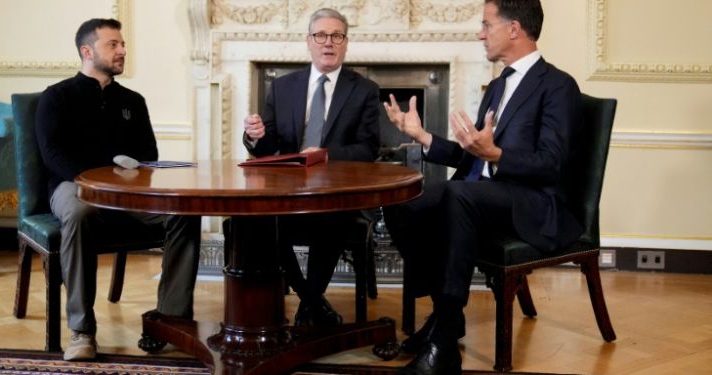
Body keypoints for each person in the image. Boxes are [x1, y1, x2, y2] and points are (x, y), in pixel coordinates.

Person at [382, 0, 584, 374]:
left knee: (460, 195)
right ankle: (448, 315)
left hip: (531, 201)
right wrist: (423, 135)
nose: (479, 33)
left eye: (486, 25)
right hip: (481, 195)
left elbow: (552, 165)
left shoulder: (558, 86)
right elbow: (472, 156)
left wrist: (496, 154)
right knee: (401, 199)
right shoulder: (497, 86)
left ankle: (443, 340)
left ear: (513, 29)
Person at [36, 18, 202, 361]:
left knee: (184, 213)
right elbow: (51, 153)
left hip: (127, 194)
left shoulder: (133, 100)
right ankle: (81, 331)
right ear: (87, 51)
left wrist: (125, 180)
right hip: (72, 187)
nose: (122, 50)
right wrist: (93, 183)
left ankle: (171, 321)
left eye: (122, 44)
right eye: (113, 44)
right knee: (81, 212)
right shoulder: (57, 97)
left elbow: (149, 157)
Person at [239, 8, 380, 326]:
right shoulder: (283, 87)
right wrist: (254, 136)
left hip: (338, 193)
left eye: (336, 36)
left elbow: (369, 149)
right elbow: (267, 147)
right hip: (288, 190)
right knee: (259, 221)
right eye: (320, 36)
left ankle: (309, 301)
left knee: (329, 219)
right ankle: (311, 300)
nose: (328, 43)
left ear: (346, 43)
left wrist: (326, 154)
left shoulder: (364, 89)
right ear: (308, 42)